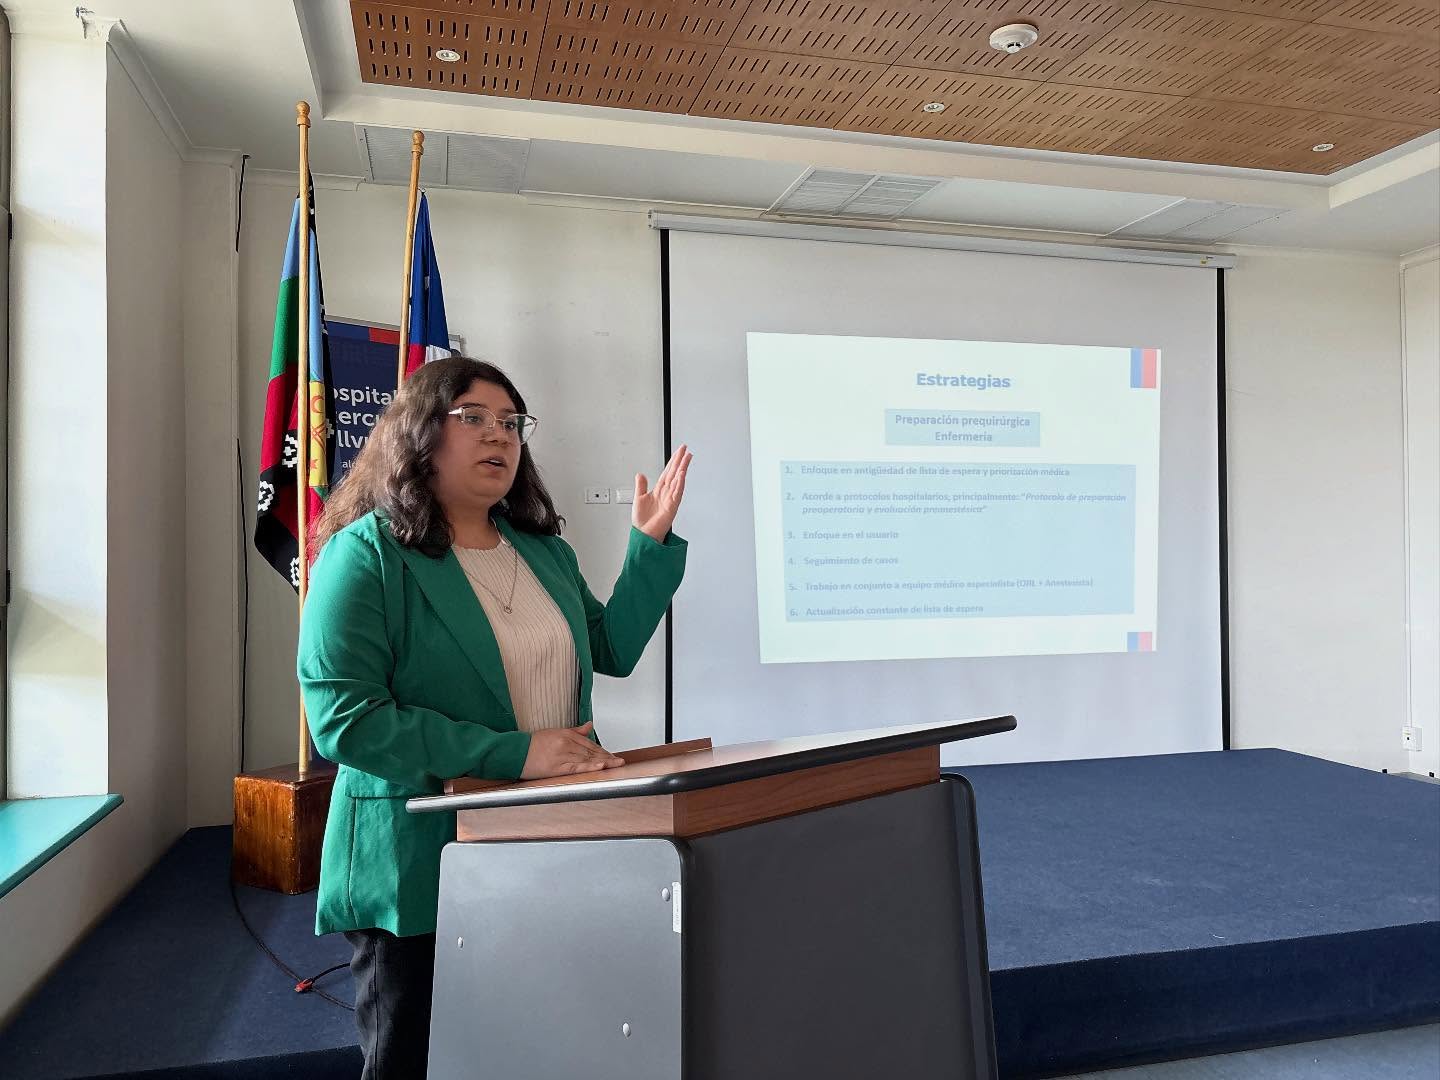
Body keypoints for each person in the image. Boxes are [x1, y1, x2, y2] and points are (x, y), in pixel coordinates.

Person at [298, 356, 691, 1079]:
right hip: (421, 852)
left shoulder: (543, 552)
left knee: (531, 1046)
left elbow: (610, 649)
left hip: (554, 839)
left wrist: (650, 548)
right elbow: (346, 721)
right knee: (414, 1059)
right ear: (419, 432)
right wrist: (515, 754)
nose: (499, 436)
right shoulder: (366, 554)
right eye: (473, 418)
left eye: (511, 423)